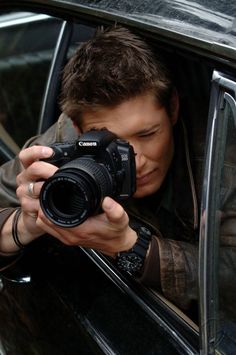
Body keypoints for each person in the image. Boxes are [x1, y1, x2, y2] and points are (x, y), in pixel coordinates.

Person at [0, 25, 206, 312]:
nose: (134, 159)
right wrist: (24, 224)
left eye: (146, 134)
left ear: (172, 108)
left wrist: (131, 247)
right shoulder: (71, 139)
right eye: (111, 143)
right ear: (77, 129)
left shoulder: (222, 155)